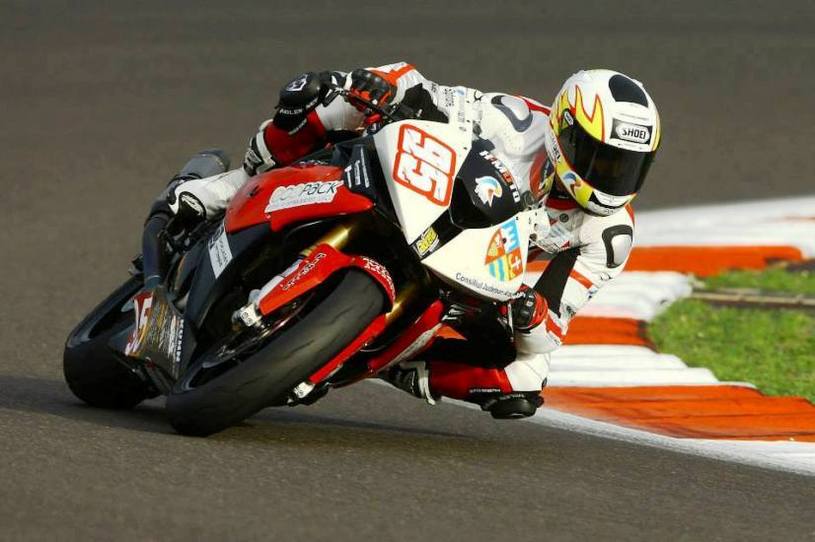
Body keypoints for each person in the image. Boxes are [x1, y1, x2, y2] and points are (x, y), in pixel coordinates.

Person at [154, 62, 661, 418]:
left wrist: (531, 316)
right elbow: (424, 90)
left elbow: (552, 326)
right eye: (602, 159)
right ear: (563, 131)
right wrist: (379, 87)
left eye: (627, 166)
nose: (611, 178)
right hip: (414, 193)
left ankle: (388, 362)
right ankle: (232, 185)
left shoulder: (610, 234)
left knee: (526, 377)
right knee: (333, 99)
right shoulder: (517, 120)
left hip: (472, 267)